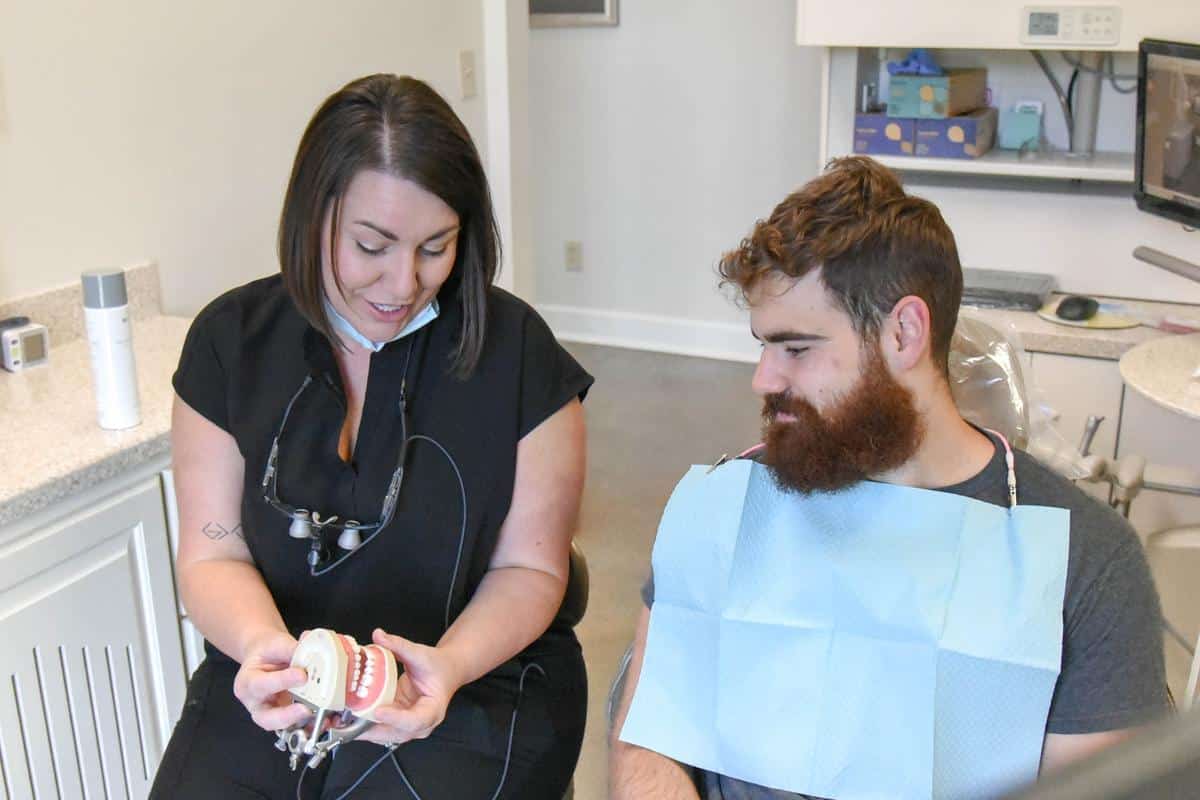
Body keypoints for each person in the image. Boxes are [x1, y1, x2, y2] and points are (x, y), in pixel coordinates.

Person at [609, 156, 1170, 800]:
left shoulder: (1085, 561)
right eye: (761, 346)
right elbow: (648, 738)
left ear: (904, 332)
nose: (763, 379)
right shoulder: (725, 507)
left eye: (796, 349)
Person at [151, 74, 591, 799]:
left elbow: (532, 571)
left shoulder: (519, 357)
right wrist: (267, 651)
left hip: (476, 673)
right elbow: (214, 550)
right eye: (372, 245)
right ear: (312, 218)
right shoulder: (230, 344)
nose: (403, 282)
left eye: (435, 246)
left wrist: (445, 669)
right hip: (286, 666)